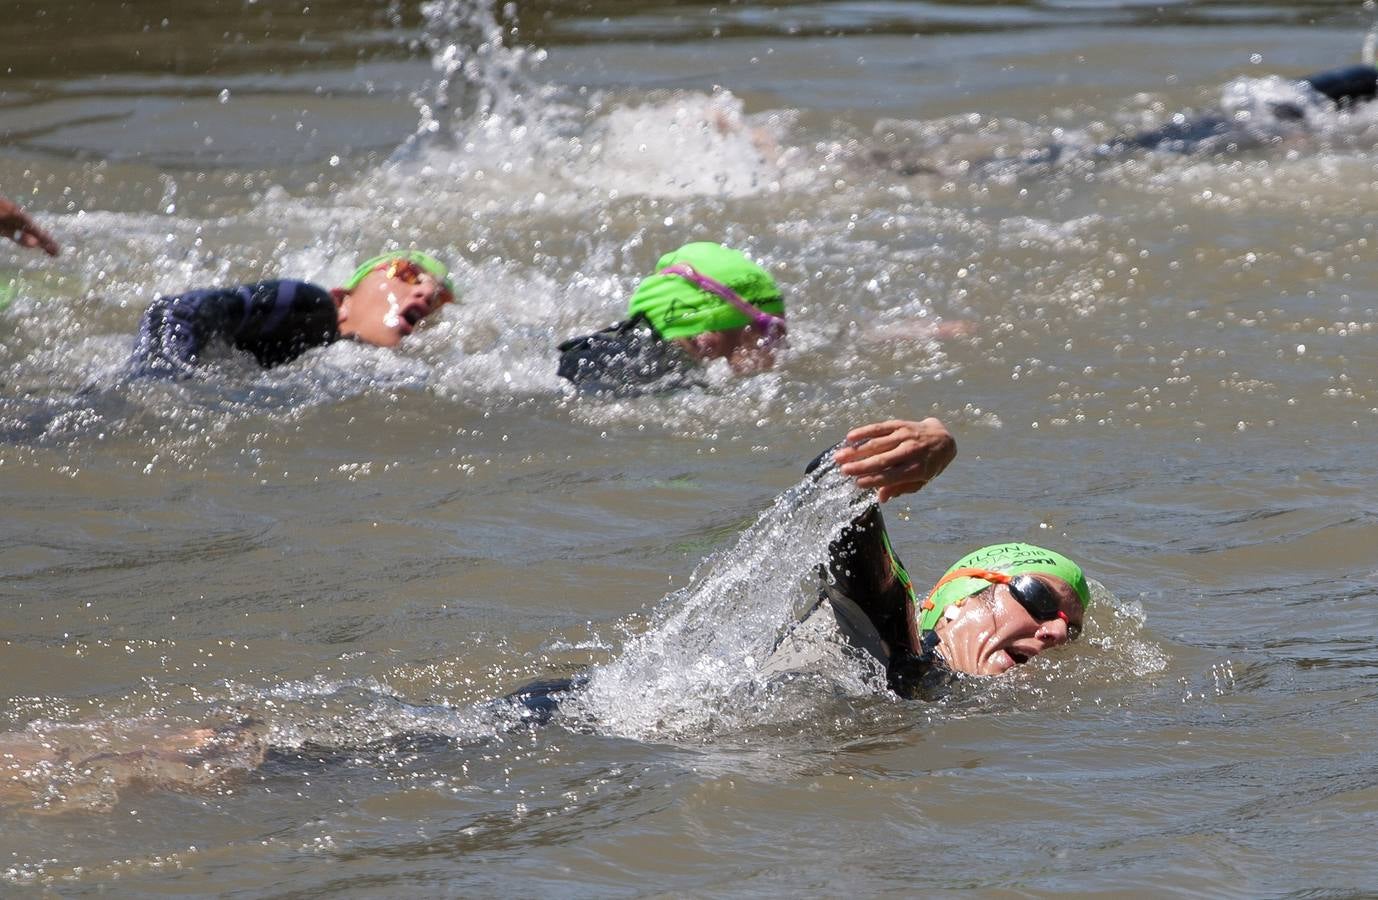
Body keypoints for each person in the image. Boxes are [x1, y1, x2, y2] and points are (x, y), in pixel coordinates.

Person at [752, 417, 1089, 698]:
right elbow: (835, 487)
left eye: (1071, 631)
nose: (1058, 631)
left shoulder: (951, 705)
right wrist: (915, 449)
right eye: (1038, 596)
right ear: (957, 605)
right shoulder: (891, 637)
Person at [130, 251, 456, 377]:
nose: (426, 294)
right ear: (342, 299)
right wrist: (159, 381)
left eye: (440, 299)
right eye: (406, 274)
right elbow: (176, 311)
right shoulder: (308, 308)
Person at [556, 241, 786, 396]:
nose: (780, 347)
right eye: (773, 333)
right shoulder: (664, 381)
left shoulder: (602, 357)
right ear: (708, 338)